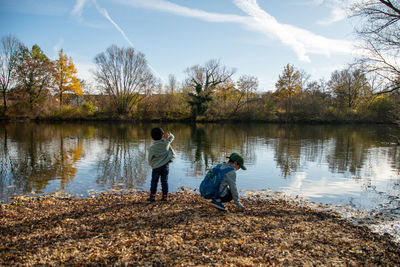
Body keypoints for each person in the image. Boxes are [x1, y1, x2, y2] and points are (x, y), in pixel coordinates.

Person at [147, 127, 176, 202]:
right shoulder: (166, 143)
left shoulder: (152, 148)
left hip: (156, 167)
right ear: (162, 136)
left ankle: (152, 197)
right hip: (165, 166)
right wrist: (169, 134)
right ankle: (165, 197)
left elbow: (150, 158)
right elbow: (172, 137)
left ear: (152, 138)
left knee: (154, 181)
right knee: (164, 181)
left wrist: (151, 164)